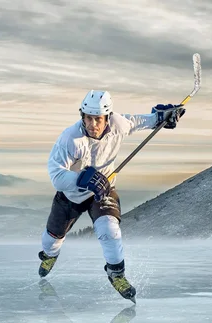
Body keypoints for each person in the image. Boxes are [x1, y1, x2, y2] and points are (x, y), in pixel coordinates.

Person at [37, 89, 185, 303]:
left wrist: (162, 118)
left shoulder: (118, 124)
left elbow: (139, 121)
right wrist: (82, 179)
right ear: (82, 116)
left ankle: (116, 274)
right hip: (72, 195)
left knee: (109, 230)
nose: (92, 124)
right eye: (88, 118)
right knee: (52, 239)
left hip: (104, 189)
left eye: (98, 119)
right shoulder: (70, 138)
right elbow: (57, 176)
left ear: (107, 117)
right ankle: (49, 256)